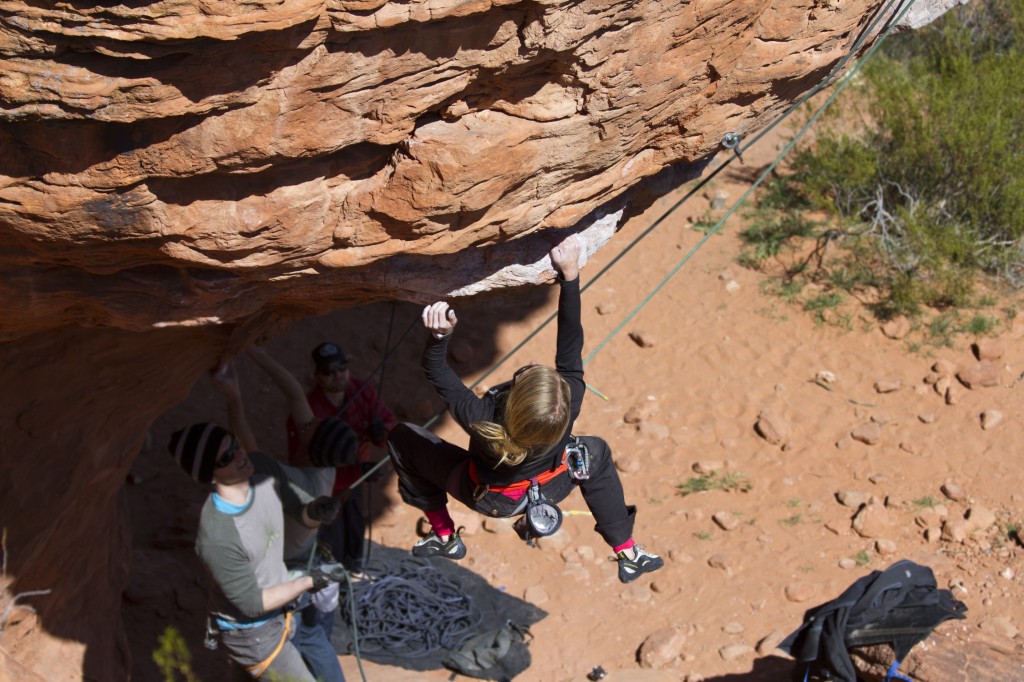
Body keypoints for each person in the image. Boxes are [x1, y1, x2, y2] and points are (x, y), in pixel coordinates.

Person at [387, 233, 664, 583]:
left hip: (490, 499)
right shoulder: (568, 402)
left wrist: (439, 336)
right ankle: (627, 551)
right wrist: (570, 275)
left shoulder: (483, 420)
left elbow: (436, 370)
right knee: (595, 452)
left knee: (402, 437)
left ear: (516, 396)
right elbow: (570, 346)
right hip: (552, 487)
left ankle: (444, 535)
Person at [167, 420, 347, 681]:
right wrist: (311, 580)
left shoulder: (262, 470)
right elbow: (252, 604)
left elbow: (299, 508)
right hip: (253, 635)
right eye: (227, 457)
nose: (240, 455)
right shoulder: (217, 536)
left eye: (235, 445)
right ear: (211, 475)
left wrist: (315, 510)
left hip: (279, 613)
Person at [211, 359, 354, 682]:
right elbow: (294, 394)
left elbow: (250, 452)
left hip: (289, 568)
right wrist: (251, 350)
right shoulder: (324, 463)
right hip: (309, 559)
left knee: (296, 639)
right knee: (312, 636)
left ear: (311, 443)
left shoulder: (300, 482)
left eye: (311, 426)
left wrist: (233, 398)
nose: (307, 421)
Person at [283, 342, 397, 575]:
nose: (337, 375)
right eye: (328, 371)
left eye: (341, 368)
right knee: (328, 539)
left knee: (355, 528)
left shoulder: (362, 391)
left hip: (355, 482)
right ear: (316, 376)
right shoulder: (309, 411)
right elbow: (306, 465)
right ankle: (332, 579)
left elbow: (389, 425)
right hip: (322, 489)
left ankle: (354, 572)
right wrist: (359, 471)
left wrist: (382, 432)